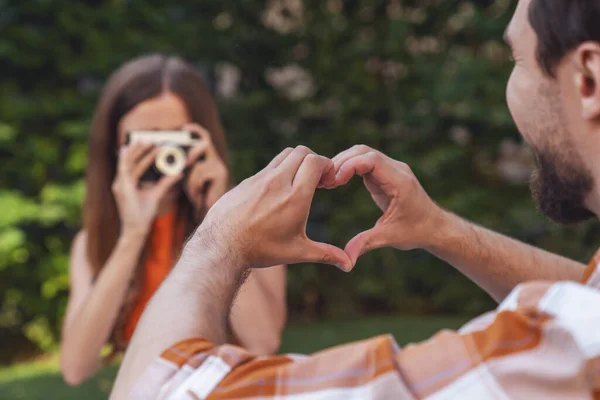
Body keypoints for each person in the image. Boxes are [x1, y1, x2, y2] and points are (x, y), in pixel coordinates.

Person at [111, 0, 600, 398]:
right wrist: (440, 230)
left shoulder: (568, 352)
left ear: (588, 80)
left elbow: (161, 390)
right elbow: (587, 297)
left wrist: (217, 240)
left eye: (516, 61)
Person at [59, 54, 287, 386]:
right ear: (114, 148)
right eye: (145, 143)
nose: (162, 158)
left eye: (174, 141)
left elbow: (263, 341)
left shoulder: (248, 219)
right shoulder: (93, 242)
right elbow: (76, 368)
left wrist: (222, 218)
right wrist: (132, 236)